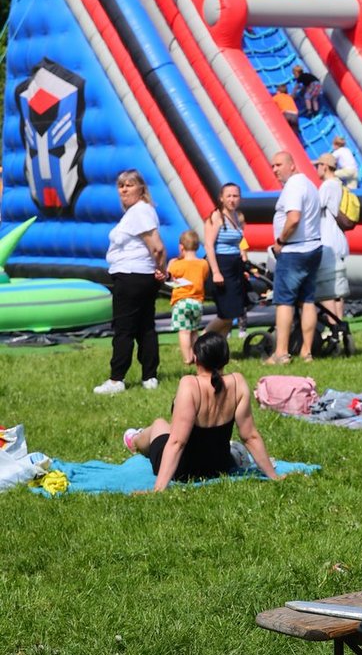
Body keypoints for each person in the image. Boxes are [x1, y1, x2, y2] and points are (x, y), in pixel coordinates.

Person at [124, 331, 281, 489]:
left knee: (159, 424)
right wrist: (274, 477)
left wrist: (158, 490)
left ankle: (134, 440)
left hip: (183, 471)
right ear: (225, 358)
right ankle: (137, 437)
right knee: (174, 429)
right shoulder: (237, 382)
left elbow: (177, 442)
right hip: (220, 466)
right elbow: (250, 436)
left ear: (197, 358)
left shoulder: (190, 384)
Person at [95, 170, 166, 395]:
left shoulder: (140, 212)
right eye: (121, 186)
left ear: (141, 189)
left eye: (129, 185)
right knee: (145, 327)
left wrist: (161, 269)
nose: (124, 189)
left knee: (124, 329)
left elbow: (157, 246)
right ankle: (150, 376)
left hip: (131, 275)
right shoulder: (140, 212)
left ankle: (117, 379)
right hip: (140, 275)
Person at [267, 151, 323, 365]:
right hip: (313, 247)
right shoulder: (309, 184)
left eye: (279, 164)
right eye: (272, 166)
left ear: (292, 165)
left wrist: (280, 241)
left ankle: (281, 352)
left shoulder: (293, 186)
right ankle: (306, 352)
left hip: (294, 250)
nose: (275, 170)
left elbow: (293, 218)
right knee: (307, 300)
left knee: (284, 301)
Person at [203, 182, 246, 339]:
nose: (232, 199)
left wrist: (243, 256)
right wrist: (216, 272)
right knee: (226, 314)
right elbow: (209, 245)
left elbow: (240, 241)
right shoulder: (218, 216)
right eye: (228, 196)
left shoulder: (237, 217)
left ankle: (220, 348)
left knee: (234, 311)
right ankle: (203, 339)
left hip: (235, 265)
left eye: (235, 196)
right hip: (222, 265)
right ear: (221, 198)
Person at [314, 151, 349, 322]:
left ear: (325, 166)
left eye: (318, 165)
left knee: (327, 287)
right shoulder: (340, 184)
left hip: (329, 241)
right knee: (338, 289)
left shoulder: (327, 186)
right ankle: (339, 322)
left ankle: (333, 325)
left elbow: (314, 207)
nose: (316, 169)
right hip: (339, 240)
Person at [167, 230, 209, 365]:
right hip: (197, 302)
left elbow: (169, 277)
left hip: (181, 302)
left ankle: (187, 358)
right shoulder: (203, 263)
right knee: (194, 330)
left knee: (184, 332)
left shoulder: (176, 264)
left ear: (181, 247)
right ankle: (197, 356)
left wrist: (171, 264)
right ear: (197, 246)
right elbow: (204, 277)